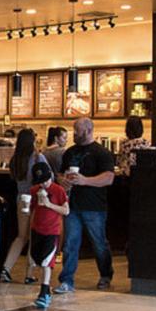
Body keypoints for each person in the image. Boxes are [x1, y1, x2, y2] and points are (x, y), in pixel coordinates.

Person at [56, 117, 116, 292]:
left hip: (94, 206)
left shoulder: (102, 153)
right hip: (72, 205)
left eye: (77, 130)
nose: (74, 134)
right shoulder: (69, 152)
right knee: (69, 244)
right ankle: (66, 280)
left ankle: (105, 275)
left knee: (99, 243)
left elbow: (109, 178)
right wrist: (62, 181)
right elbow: (60, 174)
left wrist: (85, 180)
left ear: (89, 130)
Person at [0, 127, 46, 284]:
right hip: (35, 198)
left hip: (21, 198)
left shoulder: (16, 159)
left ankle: (6, 268)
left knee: (21, 236)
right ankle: (29, 274)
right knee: (33, 236)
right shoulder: (38, 157)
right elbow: (48, 177)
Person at [29, 164, 69, 310]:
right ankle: (45, 290)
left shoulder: (58, 191)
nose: (43, 184)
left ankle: (44, 291)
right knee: (38, 259)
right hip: (37, 229)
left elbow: (66, 210)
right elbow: (32, 209)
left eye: (45, 180)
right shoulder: (34, 191)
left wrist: (49, 205)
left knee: (47, 261)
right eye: (40, 181)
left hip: (52, 231)